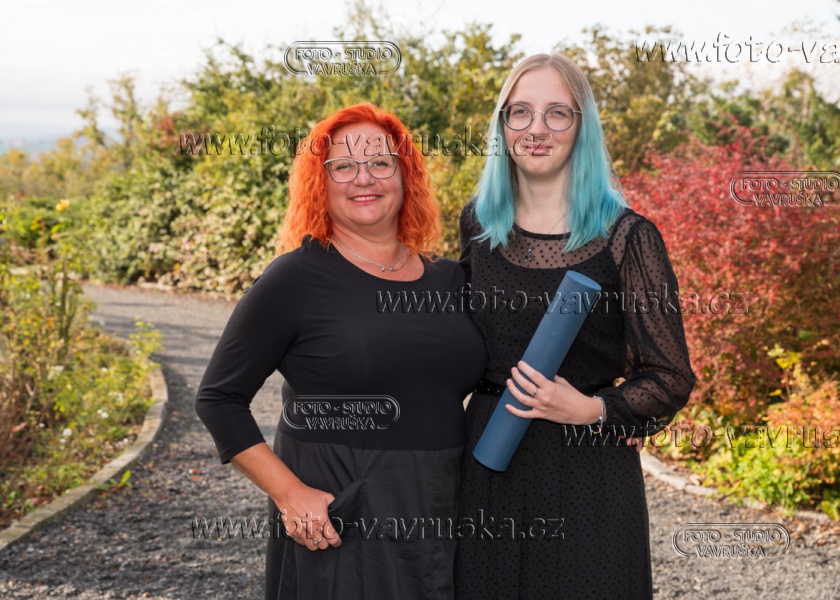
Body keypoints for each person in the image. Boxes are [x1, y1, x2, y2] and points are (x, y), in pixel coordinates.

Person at [195, 104, 487, 600]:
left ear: (405, 175)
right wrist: (290, 494)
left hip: (447, 502)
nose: (363, 178)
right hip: (343, 513)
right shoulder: (297, 277)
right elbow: (219, 399)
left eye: (380, 162)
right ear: (320, 182)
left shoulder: (449, 278)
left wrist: (607, 406)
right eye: (343, 166)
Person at [455, 54, 696, 599]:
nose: (536, 129)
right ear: (502, 125)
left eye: (557, 113)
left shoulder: (627, 237)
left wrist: (593, 410)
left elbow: (670, 376)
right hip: (489, 458)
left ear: (581, 126)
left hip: (586, 466)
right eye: (520, 112)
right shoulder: (479, 224)